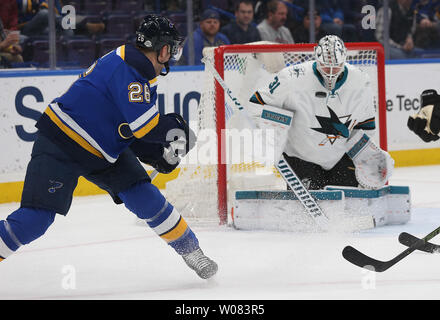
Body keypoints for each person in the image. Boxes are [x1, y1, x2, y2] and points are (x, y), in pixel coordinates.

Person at [0, 15, 218, 280]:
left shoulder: (139, 69)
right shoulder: (130, 71)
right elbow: (145, 127)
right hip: (61, 142)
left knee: (146, 197)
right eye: (171, 48)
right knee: (35, 220)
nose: (172, 54)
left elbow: (129, 127)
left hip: (103, 149)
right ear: (162, 49)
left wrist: (156, 153)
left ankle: (192, 251)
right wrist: (175, 128)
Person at [248, 35, 394, 190]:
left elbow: (366, 125)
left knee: (350, 203)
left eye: (336, 67)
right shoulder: (291, 77)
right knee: (307, 209)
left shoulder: (360, 81)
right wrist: (270, 131)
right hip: (300, 157)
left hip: (338, 157)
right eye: (325, 66)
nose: (330, 72)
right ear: (316, 57)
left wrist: (364, 152)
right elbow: (257, 103)